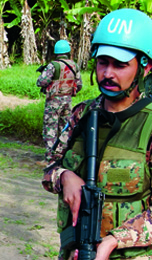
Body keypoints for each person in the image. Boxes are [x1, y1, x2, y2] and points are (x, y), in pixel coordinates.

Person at [42, 8, 152, 259]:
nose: (108, 74)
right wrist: (65, 175)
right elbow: (50, 168)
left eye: (120, 65)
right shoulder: (82, 114)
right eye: (103, 62)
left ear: (145, 67)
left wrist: (113, 241)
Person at [36, 40, 83, 166]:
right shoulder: (74, 65)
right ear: (67, 52)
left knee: (50, 129)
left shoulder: (53, 66)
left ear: (56, 52)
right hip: (67, 101)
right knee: (65, 129)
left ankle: (50, 159)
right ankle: (63, 157)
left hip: (53, 101)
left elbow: (42, 82)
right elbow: (79, 85)